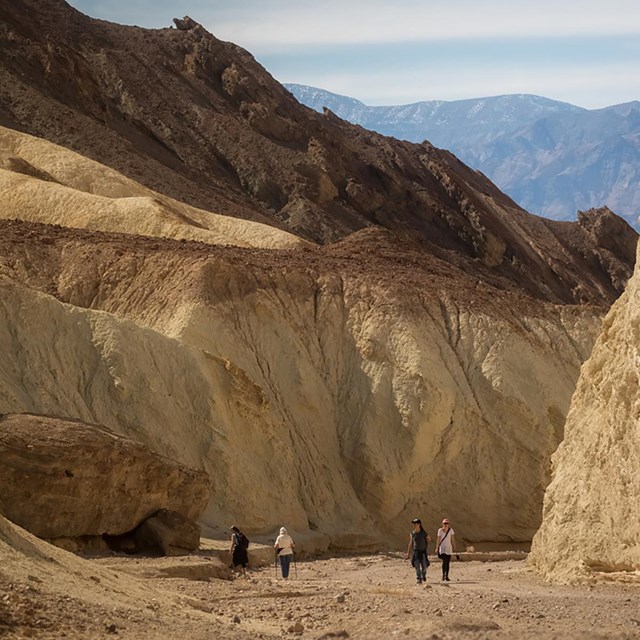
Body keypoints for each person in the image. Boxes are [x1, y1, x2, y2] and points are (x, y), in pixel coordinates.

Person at [406, 518, 431, 583]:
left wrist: (425, 544)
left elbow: (429, 538)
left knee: (424, 566)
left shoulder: (423, 532)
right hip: (416, 552)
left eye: (416, 524)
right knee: (417, 565)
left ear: (419, 524)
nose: (414, 525)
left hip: (423, 551)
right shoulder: (412, 533)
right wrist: (408, 553)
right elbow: (410, 543)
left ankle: (423, 575)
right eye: (414, 524)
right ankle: (419, 578)